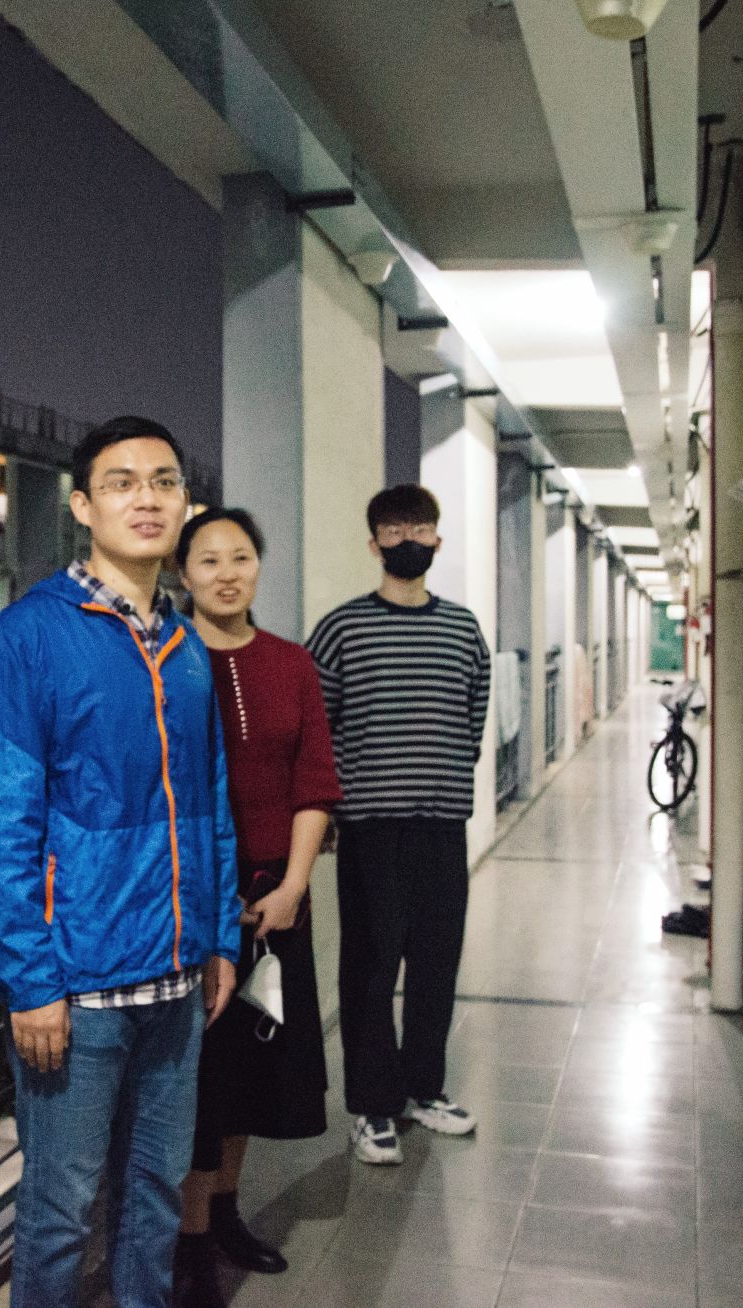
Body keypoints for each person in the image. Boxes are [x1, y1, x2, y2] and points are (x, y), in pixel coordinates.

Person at [0, 416, 242, 1308]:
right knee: (60, 1210)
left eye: (165, 481)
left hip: (176, 981)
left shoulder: (186, 648)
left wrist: (218, 938)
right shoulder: (29, 637)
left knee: (156, 1195)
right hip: (77, 992)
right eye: (122, 483)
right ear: (82, 506)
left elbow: (212, 805)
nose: (146, 499)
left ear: (185, 503)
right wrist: (31, 981)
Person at [170, 508, 341, 1308]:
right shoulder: (165, 660)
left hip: (276, 893)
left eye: (240, 557)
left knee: (252, 1068)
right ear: (183, 575)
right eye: (208, 560)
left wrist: (294, 886)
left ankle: (226, 1215)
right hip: (189, 898)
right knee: (195, 1077)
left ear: (258, 568)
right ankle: (189, 1240)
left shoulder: (292, 663)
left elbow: (315, 781)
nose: (227, 573)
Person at [305, 484, 491, 1166]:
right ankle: (371, 1106)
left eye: (419, 528)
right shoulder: (341, 629)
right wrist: (332, 808)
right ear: (374, 543)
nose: (408, 539)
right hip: (370, 828)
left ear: (437, 539)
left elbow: (473, 716)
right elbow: (318, 727)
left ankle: (423, 1090)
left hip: (442, 824)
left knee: (436, 965)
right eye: (393, 530)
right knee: (370, 970)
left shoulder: (463, 628)